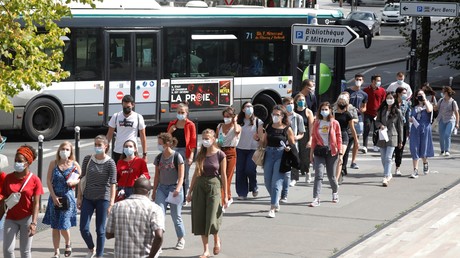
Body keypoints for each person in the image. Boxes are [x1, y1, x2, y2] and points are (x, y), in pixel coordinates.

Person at [186, 129, 227, 258]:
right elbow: (196, 173)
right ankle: (206, 250)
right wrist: (190, 191)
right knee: (201, 218)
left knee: (212, 217)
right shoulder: (201, 154)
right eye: (203, 138)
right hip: (200, 185)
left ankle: (216, 238)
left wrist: (225, 194)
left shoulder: (220, 154)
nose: (205, 140)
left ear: (213, 139)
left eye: (208, 138)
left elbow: (224, 175)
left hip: (214, 185)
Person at [0, 145, 44, 258]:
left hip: (27, 219)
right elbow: (3, 200)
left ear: (27, 163)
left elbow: (36, 203)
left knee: (25, 251)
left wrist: (34, 223)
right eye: (15, 160)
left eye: (20, 161)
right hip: (11, 218)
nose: (17, 163)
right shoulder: (8, 178)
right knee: (7, 250)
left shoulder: (35, 180)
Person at [78, 135, 117, 258]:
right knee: (83, 228)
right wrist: (79, 197)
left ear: (105, 146)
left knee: (100, 230)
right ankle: (91, 247)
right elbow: (82, 178)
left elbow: (113, 183)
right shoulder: (87, 159)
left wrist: (111, 203)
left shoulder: (110, 163)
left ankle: (99, 255)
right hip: (88, 197)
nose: (97, 147)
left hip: (103, 198)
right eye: (95, 144)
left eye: (99, 145)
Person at [106, 178, 165, 258]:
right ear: (149, 192)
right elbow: (159, 236)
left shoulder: (117, 206)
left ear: (133, 190)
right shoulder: (155, 209)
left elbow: (108, 234)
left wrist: (124, 231)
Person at [43, 141, 82, 258]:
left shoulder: (74, 164)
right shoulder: (53, 163)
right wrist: (53, 196)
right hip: (55, 197)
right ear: (59, 151)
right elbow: (48, 180)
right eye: (62, 149)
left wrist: (74, 182)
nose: (64, 151)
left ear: (70, 152)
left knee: (64, 225)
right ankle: (56, 251)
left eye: (67, 149)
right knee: (55, 226)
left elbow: (80, 177)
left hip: (67, 198)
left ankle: (68, 242)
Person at [259, 105, 295, 218]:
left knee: (276, 182)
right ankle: (276, 199)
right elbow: (264, 142)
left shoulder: (287, 128)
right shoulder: (269, 126)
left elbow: (292, 143)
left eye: (277, 115)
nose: (274, 116)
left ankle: (272, 207)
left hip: (281, 155)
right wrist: (260, 139)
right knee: (267, 180)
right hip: (269, 153)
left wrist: (288, 147)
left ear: (283, 116)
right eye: (273, 114)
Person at [152, 132, 186, 250]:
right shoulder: (158, 158)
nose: (158, 145)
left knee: (176, 216)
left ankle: (181, 238)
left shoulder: (177, 157)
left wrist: (177, 188)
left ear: (167, 144)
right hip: (162, 188)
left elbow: (182, 176)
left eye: (160, 143)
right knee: (159, 216)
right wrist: (154, 190)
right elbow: (157, 176)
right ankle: (158, 242)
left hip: (174, 189)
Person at [309, 102, 342, 207]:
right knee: (318, 175)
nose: (324, 111)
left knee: (331, 176)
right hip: (319, 151)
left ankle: (335, 192)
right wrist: (311, 153)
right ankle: (316, 198)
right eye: (322, 109)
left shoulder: (335, 123)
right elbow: (314, 138)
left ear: (330, 111)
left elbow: (339, 138)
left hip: (331, 152)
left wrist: (340, 153)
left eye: (326, 109)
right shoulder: (317, 123)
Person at [168, 103, 197, 204]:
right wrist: (170, 131)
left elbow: (193, 142)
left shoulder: (190, 125)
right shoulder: (172, 124)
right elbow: (166, 139)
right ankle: (172, 196)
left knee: (184, 175)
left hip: (186, 151)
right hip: (174, 150)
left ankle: (184, 196)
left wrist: (191, 156)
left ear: (187, 113)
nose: (180, 114)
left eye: (182, 112)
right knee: (172, 174)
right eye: (179, 112)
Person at [106, 94, 148, 162]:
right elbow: (109, 134)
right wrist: (105, 149)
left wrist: (145, 154)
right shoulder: (116, 116)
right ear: (122, 105)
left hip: (132, 151)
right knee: (118, 172)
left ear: (133, 105)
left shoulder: (138, 117)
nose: (126, 109)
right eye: (124, 107)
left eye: (128, 107)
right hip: (118, 151)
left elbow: (143, 137)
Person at [375, 92, 403, 186]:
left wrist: (400, 140)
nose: (389, 100)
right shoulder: (382, 110)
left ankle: (386, 176)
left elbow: (400, 127)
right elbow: (377, 121)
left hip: (392, 136)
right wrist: (380, 125)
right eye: (388, 98)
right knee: (383, 158)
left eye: (391, 98)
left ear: (394, 100)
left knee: (388, 157)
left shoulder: (397, 111)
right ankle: (388, 173)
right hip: (382, 135)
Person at [235, 102, 262, 199]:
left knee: (250, 169)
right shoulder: (238, 121)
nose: (249, 108)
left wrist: (258, 139)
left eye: (251, 106)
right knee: (240, 171)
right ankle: (242, 193)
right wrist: (234, 121)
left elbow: (261, 137)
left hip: (253, 149)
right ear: (243, 109)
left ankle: (254, 186)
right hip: (240, 148)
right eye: (247, 107)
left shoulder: (258, 121)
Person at [280, 96, 304, 201]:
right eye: (288, 103)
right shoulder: (281, 117)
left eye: (291, 103)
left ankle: (294, 178)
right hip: (282, 144)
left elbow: (301, 132)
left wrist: (296, 137)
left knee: (293, 160)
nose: (290, 105)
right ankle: (284, 182)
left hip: (293, 143)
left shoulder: (298, 117)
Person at [216, 107, 241, 207]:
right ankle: (228, 196)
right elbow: (217, 139)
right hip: (221, 151)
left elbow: (237, 131)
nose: (226, 118)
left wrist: (234, 122)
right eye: (225, 116)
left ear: (233, 117)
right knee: (220, 176)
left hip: (231, 152)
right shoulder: (220, 126)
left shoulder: (237, 126)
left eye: (228, 116)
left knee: (227, 176)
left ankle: (223, 201)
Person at [409, 90, 434, 179]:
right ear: (416, 97)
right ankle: (415, 170)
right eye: (418, 95)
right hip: (415, 129)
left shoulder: (428, 104)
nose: (420, 96)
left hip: (425, 128)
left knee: (424, 147)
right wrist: (410, 119)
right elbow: (410, 117)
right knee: (414, 148)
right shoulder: (414, 107)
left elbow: (429, 110)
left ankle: (425, 162)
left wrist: (425, 100)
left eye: (422, 94)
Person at [333, 94, 358, 185]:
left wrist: (356, 140)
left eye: (343, 102)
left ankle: (337, 178)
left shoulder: (348, 114)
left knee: (340, 156)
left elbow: (352, 128)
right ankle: (337, 175)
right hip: (334, 136)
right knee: (335, 158)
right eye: (340, 101)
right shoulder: (333, 114)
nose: (342, 103)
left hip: (344, 136)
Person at [345, 73, 368, 162]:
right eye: (357, 79)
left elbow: (365, 107)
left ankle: (353, 161)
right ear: (354, 80)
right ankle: (343, 159)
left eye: (360, 80)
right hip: (347, 117)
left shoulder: (364, 94)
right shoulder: (348, 91)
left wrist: (363, 109)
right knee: (346, 138)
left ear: (363, 81)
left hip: (358, 118)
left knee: (356, 140)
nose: (358, 81)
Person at [293, 93, 314, 183]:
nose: (301, 102)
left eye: (303, 100)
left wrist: (310, 139)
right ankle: (295, 175)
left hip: (305, 135)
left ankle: (307, 172)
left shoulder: (308, 112)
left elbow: (311, 127)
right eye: (299, 100)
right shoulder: (293, 111)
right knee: (295, 155)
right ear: (296, 102)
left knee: (305, 156)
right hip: (295, 134)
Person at [363, 74, 386, 153]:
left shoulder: (382, 91)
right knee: (367, 128)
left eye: (380, 80)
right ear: (373, 81)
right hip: (368, 113)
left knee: (376, 130)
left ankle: (375, 145)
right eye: (377, 80)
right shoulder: (366, 90)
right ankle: (364, 146)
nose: (379, 82)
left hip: (377, 114)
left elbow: (383, 102)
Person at [436, 86, 459, 157]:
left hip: (450, 120)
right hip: (441, 119)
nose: (442, 93)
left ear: (446, 93)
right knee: (441, 136)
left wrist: (457, 123)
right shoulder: (441, 100)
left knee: (447, 134)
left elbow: (456, 113)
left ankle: (447, 150)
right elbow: (436, 108)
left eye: (443, 92)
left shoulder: (453, 102)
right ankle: (442, 150)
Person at [394, 87, 411, 176]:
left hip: (403, 127)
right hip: (392, 127)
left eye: (406, 93)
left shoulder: (406, 103)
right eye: (403, 93)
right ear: (398, 93)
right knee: (391, 147)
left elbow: (408, 117)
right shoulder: (392, 102)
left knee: (400, 147)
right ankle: (388, 166)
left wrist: (408, 129)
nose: (405, 95)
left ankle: (397, 167)